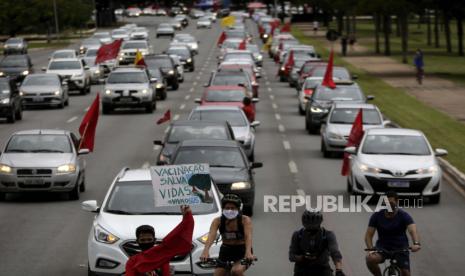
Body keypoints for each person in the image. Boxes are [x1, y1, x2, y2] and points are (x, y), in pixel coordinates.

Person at [125, 205, 194, 276]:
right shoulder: (132, 262)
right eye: (143, 240)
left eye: (149, 239)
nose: (146, 242)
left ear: (154, 241)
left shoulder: (162, 258)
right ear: (137, 241)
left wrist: (186, 217)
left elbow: (179, 237)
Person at [365, 191, 421, 276]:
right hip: (382, 248)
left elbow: (413, 230)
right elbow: (368, 235)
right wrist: (371, 249)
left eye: (391, 203)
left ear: (397, 202)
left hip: (400, 248)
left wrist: (416, 243)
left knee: (406, 273)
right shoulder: (377, 216)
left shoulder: (404, 216)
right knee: (370, 259)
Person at [200, 194, 254, 276]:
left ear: (238, 209)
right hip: (225, 252)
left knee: (236, 271)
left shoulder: (245, 220)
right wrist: (205, 251)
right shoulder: (217, 221)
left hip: (242, 252)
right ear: (223, 209)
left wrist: (248, 252)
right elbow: (211, 235)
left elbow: (248, 236)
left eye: (233, 208)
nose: (230, 210)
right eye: (227, 208)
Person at [289, 210, 346, 276]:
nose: (311, 233)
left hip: (322, 269)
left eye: (314, 229)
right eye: (308, 229)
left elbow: (335, 253)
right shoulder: (297, 235)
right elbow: (291, 256)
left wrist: (339, 270)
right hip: (302, 269)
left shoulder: (328, 235)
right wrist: (303, 257)